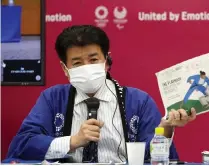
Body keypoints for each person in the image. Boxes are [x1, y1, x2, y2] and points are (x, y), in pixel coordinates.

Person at [4, 25, 196, 163]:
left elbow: (154, 157)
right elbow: (23, 144)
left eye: (93, 59)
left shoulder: (139, 101)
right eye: (77, 63)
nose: (87, 67)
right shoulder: (53, 99)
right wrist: (73, 141)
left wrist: (166, 129)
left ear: (107, 61)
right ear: (65, 68)